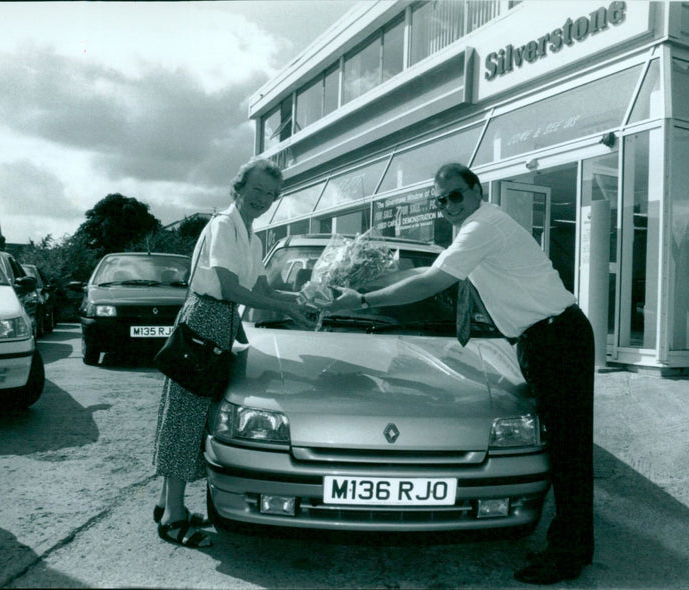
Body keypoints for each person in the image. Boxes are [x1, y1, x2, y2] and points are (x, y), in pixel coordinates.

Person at [327, 163, 595, 585]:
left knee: (568, 451)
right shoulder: (473, 228)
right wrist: (365, 276)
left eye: (455, 195)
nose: (447, 205)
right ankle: (575, 544)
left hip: (557, 338)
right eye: (440, 200)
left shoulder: (483, 224)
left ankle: (568, 554)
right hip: (545, 338)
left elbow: (434, 281)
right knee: (567, 446)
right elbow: (425, 272)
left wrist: (361, 301)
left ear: (476, 191)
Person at [152, 157, 314, 548]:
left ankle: (166, 503)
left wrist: (309, 298)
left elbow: (264, 291)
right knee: (185, 417)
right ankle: (173, 518)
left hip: (220, 323)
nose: (263, 199)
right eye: (256, 190)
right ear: (238, 188)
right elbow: (229, 289)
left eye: (271, 194)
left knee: (196, 417)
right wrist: (288, 309)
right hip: (205, 318)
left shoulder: (253, 236)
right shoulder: (224, 226)